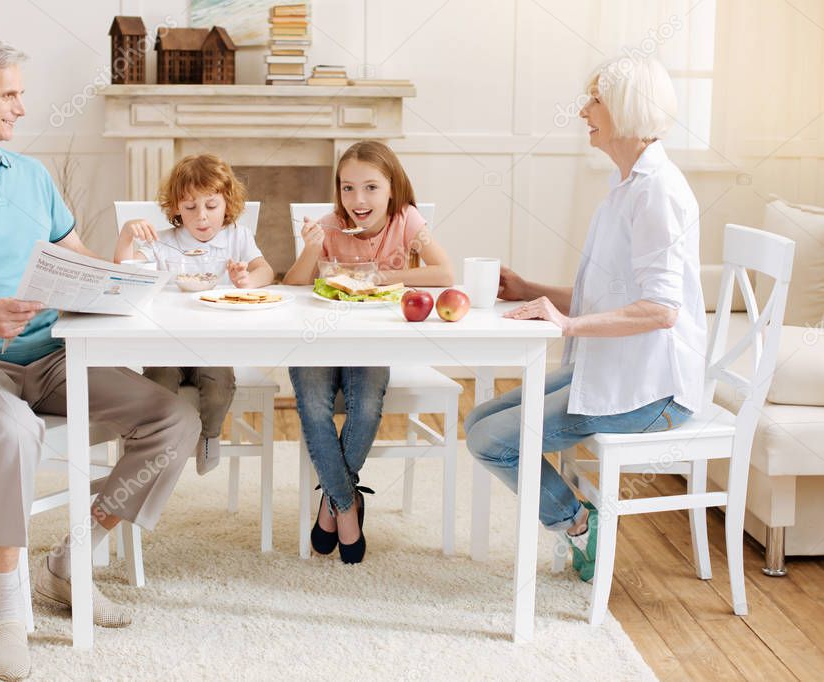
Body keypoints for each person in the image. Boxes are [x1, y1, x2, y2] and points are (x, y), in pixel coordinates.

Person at [0, 35, 200, 681]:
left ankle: (71, 561)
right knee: (12, 429)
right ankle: (7, 612)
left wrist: (118, 270)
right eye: (10, 95)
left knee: (174, 419)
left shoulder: (30, 176)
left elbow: (74, 257)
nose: (21, 108)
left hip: (53, 354)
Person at [464, 56, 706, 582]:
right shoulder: (629, 186)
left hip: (653, 390)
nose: (583, 112)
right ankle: (579, 521)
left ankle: (578, 525)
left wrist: (568, 325)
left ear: (625, 108)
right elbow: (606, 297)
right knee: (477, 422)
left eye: (594, 100)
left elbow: (662, 310)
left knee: (492, 441)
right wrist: (532, 291)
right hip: (617, 367)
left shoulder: (657, 193)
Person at [283, 140, 455, 563]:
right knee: (313, 408)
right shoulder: (329, 226)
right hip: (317, 341)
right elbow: (293, 285)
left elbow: (446, 271)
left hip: (372, 340)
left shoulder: (409, 221)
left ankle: (331, 502)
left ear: (392, 189)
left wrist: (386, 272)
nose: (358, 200)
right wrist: (310, 247)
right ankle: (347, 505)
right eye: (347, 188)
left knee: (364, 409)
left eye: (371, 188)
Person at [114, 154, 274, 474]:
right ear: (175, 208)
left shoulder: (236, 237)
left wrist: (247, 280)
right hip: (165, 344)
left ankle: (209, 436)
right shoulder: (163, 242)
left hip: (213, 344)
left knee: (220, 383)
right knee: (157, 384)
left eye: (211, 206)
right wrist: (126, 236)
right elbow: (123, 273)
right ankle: (162, 443)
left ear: (227, 204)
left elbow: (265, 270)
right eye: (190, 207)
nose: (201, 217)